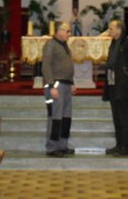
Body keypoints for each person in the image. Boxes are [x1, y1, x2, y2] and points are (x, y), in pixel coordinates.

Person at [102, 19, 128, 156]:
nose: (109, 31)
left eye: (111, 28)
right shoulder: (113, 43)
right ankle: (119, 145)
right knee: (116, 117)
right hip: (113, 85)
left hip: (124, 86)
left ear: (119, 30)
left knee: (124, 117)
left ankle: (125, 147)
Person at [41, 21, 76, 157]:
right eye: (67, 31)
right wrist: (50, 86)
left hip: (66, 84)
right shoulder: (50, 45)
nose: (69, 34)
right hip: (55, 85)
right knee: (55, 117)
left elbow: (68, 65)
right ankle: (52, 147)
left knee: (66, 117)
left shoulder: (64, 46)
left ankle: (63, 145)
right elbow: (46, 66)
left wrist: (72, 82)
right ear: (59, 31)